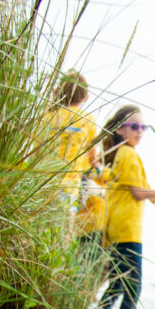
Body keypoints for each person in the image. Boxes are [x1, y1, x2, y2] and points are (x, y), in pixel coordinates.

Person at [99, 104, 155, 309]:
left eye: (143, 127)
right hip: (126, 229)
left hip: (118, 229)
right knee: (133, 286)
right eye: (134, 126)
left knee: (119, 283)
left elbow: (152, 197)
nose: (139, 131)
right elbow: (139, 193)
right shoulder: (128, 154)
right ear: (119, 130)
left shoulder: (124, 154)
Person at [42, 70, 99, 211]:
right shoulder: (87, 120)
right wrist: (99, 170)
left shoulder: (47, 116)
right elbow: (92, 158)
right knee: (66, 227)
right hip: (69, 184)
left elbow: (36, 150)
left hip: (42, 181)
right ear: (86, 97)